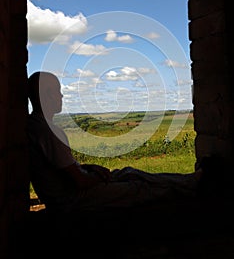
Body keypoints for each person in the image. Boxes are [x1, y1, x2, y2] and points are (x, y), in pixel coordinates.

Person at [27, 71, 205, 214]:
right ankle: (192, 186)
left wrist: (90, 168)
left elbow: (64, 168)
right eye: (58, 91)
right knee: (137, 188)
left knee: (128, 172)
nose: (62, 96)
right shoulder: (48, 131)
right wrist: (99, 178)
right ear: (48, 95)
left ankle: (190, 182)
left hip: (71, 192)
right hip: (73, 199)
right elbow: (79, 182)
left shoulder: (38, 126)